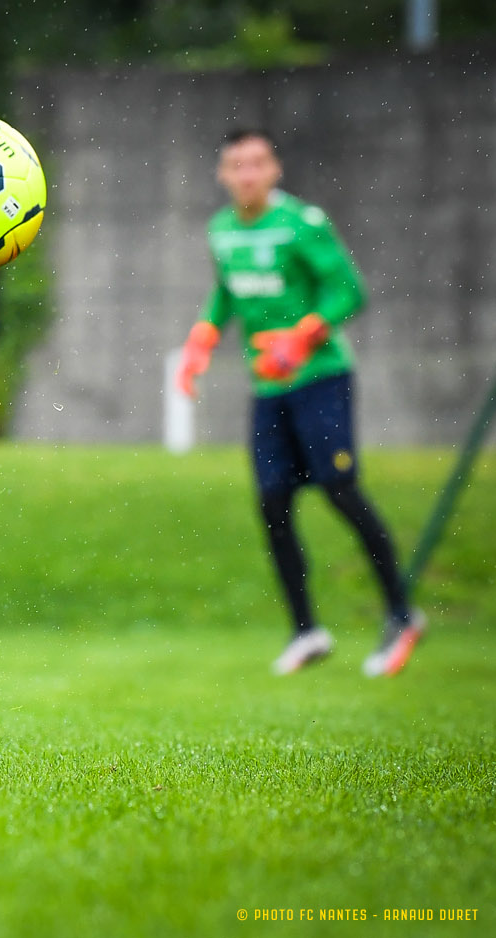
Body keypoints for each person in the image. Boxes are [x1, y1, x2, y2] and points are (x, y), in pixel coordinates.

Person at [175, 129, 426, 678]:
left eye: (256, 163)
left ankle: (401, 615)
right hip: (268, 390)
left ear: (275, 170)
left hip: (321, 379)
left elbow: (348, 291)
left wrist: (302, 335)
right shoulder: (221, 230)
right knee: (272, 504)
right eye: (235, 165)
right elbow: (226, 292)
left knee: (340, 491)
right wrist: (202, 339)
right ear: (222, 174)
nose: (246, 173)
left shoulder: (302, 224)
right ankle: (306, 630)